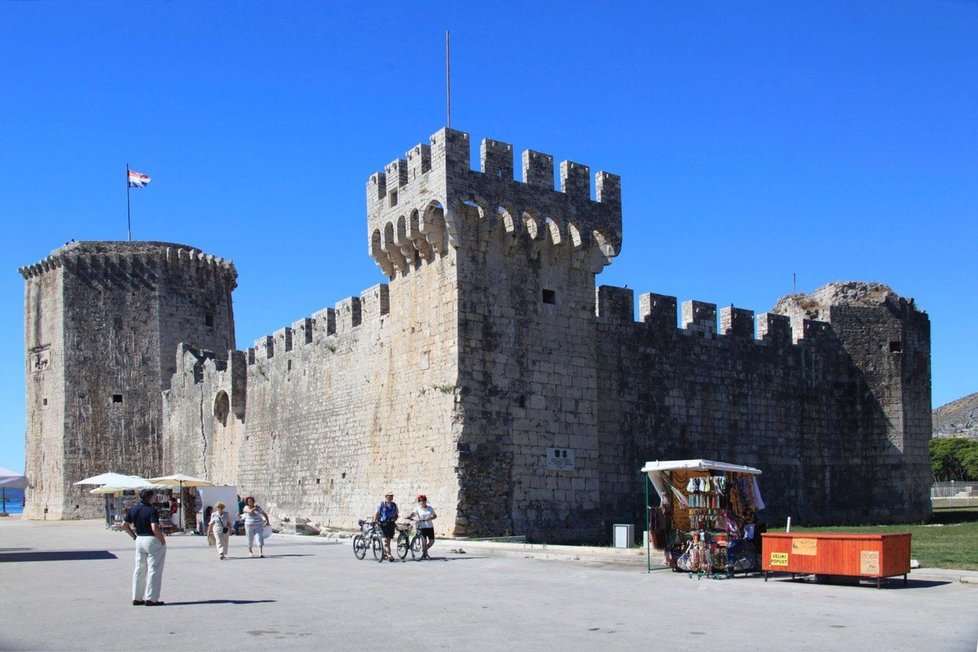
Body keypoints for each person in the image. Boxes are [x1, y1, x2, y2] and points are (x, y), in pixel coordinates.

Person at [121, 488, 167, 606]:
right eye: (154, 495)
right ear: (150, 497)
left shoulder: (134, 508)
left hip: (140, 539)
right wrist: (161, 539)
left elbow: (124, 525)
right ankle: (151, 598)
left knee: (139, 569)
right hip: (151, 539)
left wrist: (134, 536)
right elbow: (154, 527)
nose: (156, 497)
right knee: (154, 569)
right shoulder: (151, 510)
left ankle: (136, 597)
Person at [408, 494, 437, 559]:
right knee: (424, 541)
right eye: (420, 500)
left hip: (429, 526)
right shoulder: (417, 508)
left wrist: (430, 518)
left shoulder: (430, 508)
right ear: (419, 502)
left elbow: (435, 516)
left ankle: (424, 550)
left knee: (432, 541)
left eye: (424, 500)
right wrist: (409, 516)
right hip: (422, 526)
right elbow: (413, 514)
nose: (422, 502)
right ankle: (425, 554)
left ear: (426, 501)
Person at [374, 491, 399, 561]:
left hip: (391, 524)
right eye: (389, 496)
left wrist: (395, 518)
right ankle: (389, 554)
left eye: (392, 496)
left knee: (389, 540)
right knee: (385, 540)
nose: (391, 497)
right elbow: (377, 513)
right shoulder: (381, 505)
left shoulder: (394, 505)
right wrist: (375, 521)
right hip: (383, 524)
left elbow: (396, 514)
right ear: (386, 497)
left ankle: (385, 553)